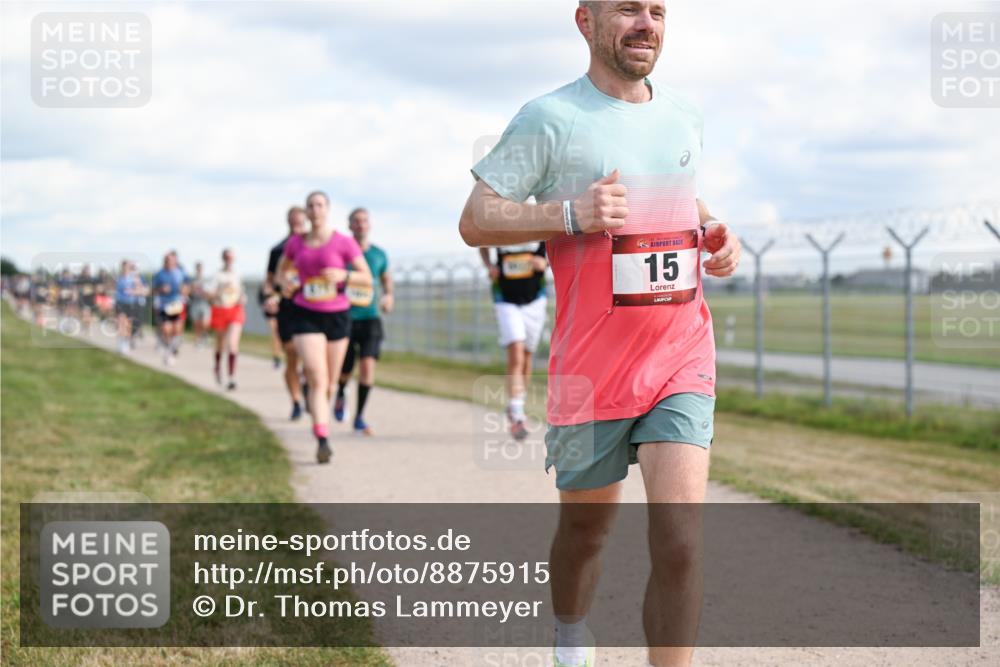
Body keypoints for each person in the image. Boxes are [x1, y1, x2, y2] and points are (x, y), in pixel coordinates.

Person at [458, 3, 742, 666]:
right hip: (591, 373)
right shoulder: (548, 118)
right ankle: (569, 630)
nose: (646, 24)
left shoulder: (684, 114)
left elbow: (682, 197)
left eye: (657, 11)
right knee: (586, 532)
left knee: (680, 539)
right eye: (628, 10)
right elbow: (475, 219)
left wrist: (716, 232)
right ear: (585, 21)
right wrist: (569, 212)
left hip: (680, 357)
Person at [275, 191, 373, 463]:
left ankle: (319, 411)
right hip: (305, 313)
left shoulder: (343, 243)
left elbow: (366, 279)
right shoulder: (296, 243)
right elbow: (283, 272)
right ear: (306, 213)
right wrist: (287, 283)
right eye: (310, 206)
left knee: (329, 384)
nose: (315, 210)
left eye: (319, 205)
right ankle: (322, 438)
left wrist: (346, 275)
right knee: (317, 377)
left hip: (338, 315)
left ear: (327, 209)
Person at [478, 243, 548, 441]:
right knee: (516, 352)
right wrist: (489, 266)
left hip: (535, 298)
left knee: (526, 355)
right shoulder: (502, 217)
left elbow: (557, 244)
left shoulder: (539, 215)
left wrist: (546, 263)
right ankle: (517, 414)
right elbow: (482, 242)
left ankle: (518, 404)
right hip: (505, 298)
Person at [335, 207, 394, 436]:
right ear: (349, 225)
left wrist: (389, 296)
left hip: (371, 318)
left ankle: (359, 416)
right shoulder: (342, 253)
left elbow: (387, 281)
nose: (360, 225)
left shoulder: (379, 254)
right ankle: (341, 390)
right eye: (356, 221)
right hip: (345, 317)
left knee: (368, 365)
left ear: (369, 225)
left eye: (364, 221)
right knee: (345, 368)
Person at [264, 206, 309, 420]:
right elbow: (269, 282)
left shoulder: (315, 246)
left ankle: (308, 384)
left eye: (300, 221)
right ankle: (296, 401)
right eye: (293, 222)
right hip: (288, 309)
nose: (297, 226)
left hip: (311, 307)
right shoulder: (278, 250)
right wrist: (270, 297)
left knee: (310, 358)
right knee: (292, 354)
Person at [205, 249, 246, 390]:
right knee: (220, 343)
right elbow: (208, 294)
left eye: (231, 258)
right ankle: (217, 366)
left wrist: (242, 298)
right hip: (220, 309)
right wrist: (219, 290)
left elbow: (240, 291)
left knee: (233, 344)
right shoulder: (216, 276)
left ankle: (231, 376)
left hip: (235, 310)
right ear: (223, 259)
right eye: (227, 258)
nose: (229, 260)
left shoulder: (237, 274)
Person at [151, 252, 189, 366]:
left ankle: (172, 350)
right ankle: (169, 350)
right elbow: (153, 290)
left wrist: (185, 290)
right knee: (166, 329)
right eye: (167, 260)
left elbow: (188, 287)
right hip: (164, 304)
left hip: (177, 304)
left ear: (175, 261)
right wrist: (161, 289)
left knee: (177, 329)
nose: (169, 262)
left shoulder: (181, 273)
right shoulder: (159, 274)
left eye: (171, 260)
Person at [115, 260, 148, 354]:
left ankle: (126, 341)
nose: (126, 268)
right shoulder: (119, 278)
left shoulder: (135, 278)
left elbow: (142, 290)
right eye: (124, 267)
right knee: (122, 322)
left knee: (128, 324)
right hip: (121, 302)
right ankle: (121, 341)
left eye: (128, 267)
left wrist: (133, 291)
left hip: (131, 303)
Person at [187, 262, 212, 347]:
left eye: (200, 268)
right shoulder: (192, 280)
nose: (199, 270)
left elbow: (210, 293)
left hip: (204, 303)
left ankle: (204, 334)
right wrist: (192, 289)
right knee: (196, 323)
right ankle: (198, 340)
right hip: (195, 302)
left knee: (205, 323)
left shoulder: (207, 280)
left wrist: (205, 293)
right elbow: (188, 291)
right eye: (198, 268)